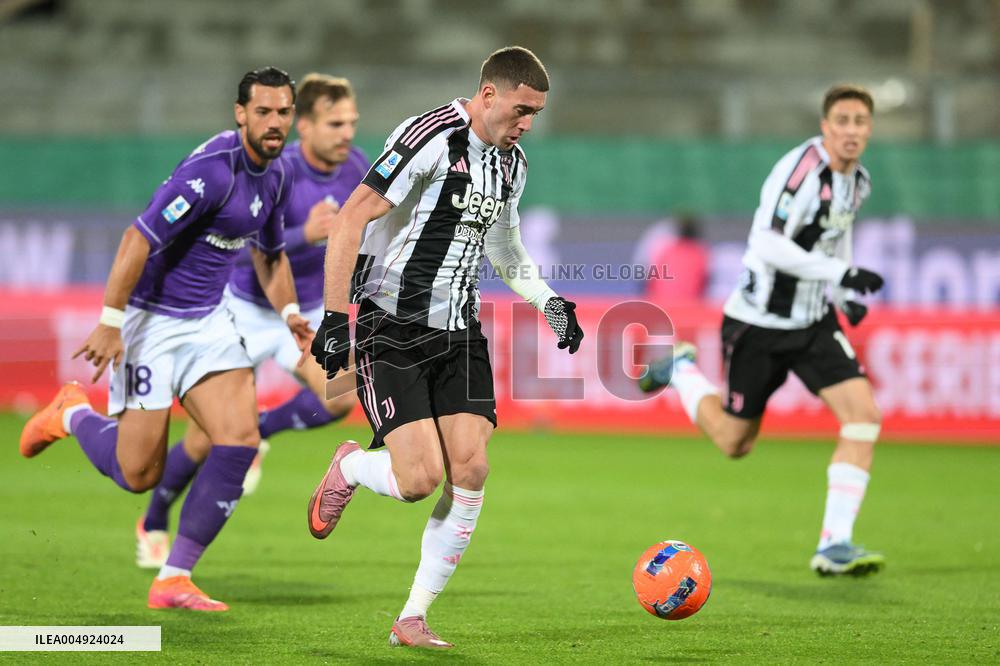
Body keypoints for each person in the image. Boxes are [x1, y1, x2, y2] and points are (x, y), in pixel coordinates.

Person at [307, 46, 584, 648]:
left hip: (459, 329)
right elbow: (351, 218)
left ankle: (413, 616)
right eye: (521, 109)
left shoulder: (513, 165)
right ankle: (352, 466)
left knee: (473, 466)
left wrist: (550, 303)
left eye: (536, 112)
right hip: (391, 325)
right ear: (489, 94)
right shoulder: (430, 135)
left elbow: (505, 248)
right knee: (417, 481)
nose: (528, 123)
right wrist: (334, 316)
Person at [19, 67, 309, 611]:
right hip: (152, 321)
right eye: (264, 112)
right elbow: (137, 236)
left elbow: (270, 254)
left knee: (240, 438)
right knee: (137, 474)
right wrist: (110, 320)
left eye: (284, 111)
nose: (276, 123)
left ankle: (174, 577)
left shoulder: (277, 175)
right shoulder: (210, 173)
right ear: (240, 113)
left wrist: (290, 311)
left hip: (209, 322)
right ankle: (70, 413)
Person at [639, 84, 886, 576]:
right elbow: (767, 243)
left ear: (869, 128)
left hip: (813, 324)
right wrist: (838, 276)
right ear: (825, 125)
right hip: (759, 324)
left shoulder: (858, 181)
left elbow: (838, 239)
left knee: (863, 415)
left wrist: (840, 296)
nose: (852, 130)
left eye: (860, 121)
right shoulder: (799, 172)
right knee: (735, 442)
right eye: (843, 120)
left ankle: (834, 544)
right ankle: (682, 371)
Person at [134, 73, 369, 570]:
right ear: (304, 125)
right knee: (206, 438)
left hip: (301, 313)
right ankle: (154, 518)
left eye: (351, 122)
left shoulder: (358, 170)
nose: (347, 133)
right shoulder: (276, 172)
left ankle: (262, 428)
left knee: (343, 394)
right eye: (335, 123)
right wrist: (305, 233)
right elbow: (236, 258)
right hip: (242, 308)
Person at [645, 214, 709, 303]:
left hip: (660, 303)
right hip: (688, 306)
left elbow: (651, 282)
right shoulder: (700, 253)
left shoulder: (666, 251)